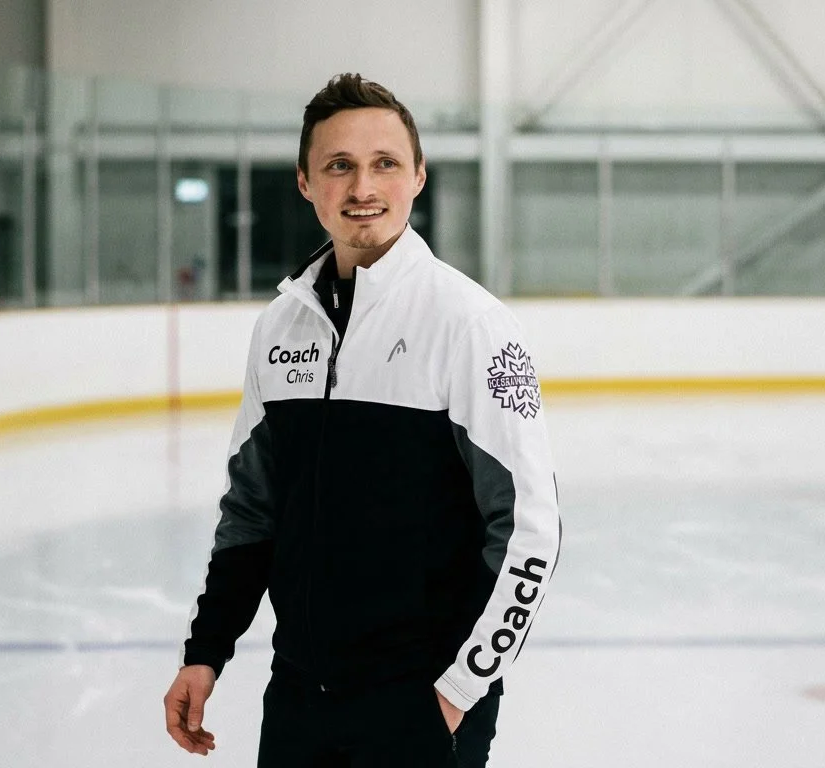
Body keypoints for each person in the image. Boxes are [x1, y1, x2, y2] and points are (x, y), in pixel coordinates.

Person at [162, 73, 562, 767]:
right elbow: (252, 512)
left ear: (418, 176)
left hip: (421, 705)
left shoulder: (469, 324)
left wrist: (458, 693)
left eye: (385, 163)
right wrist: (207, 651)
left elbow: (530, 529)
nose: (362, 187)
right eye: (339, 166)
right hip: (299, 699)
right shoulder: (282, 326)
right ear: (305, 182)